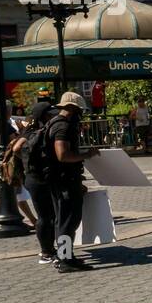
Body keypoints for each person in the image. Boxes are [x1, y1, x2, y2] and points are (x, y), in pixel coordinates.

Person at [46, 92, 99, 273]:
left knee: (63, 220)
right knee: (68, 221)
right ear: (71, 109)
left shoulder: (53, 123)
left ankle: (66, 256)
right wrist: (86, 155)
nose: (80, 114)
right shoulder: (63, 126)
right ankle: (65, 259)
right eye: (78, 110)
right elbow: (62, 155)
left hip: (59, 180)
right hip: (65, 181)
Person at [19, 99, 58, 265]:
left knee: (44, 216)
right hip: (43, 178)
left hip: (31, 178)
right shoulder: (43, 132)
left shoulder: (27, 133)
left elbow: (15, 149)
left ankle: (47, 250)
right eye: (50, 114)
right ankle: (46, 251)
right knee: (48, 216)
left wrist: (27, 164)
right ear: (44, 115)